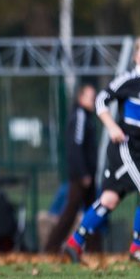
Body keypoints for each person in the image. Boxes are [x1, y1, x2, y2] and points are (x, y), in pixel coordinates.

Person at [63, 35, 140, 265]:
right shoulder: (127, 81)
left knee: (109, 199)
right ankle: (138, 247)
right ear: (136, 57)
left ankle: (75, 243)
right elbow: (101, 100)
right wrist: (111, 126)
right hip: (125, 146)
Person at [43, 83, 99, 253]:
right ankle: (51, 247)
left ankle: (94, 248)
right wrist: (83, 173)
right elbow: (75, 146)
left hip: (86, 173)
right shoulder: (80, 116)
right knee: (71, 212)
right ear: (80, 98)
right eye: (91, 97)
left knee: (94, 211)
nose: (94, 101)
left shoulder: (86, 116)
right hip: (81, 175)